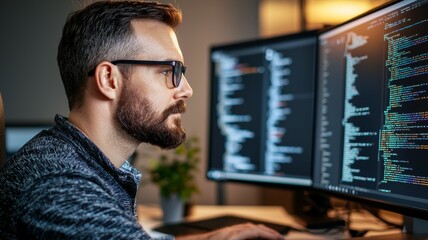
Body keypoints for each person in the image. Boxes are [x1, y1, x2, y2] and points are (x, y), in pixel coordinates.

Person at [0, 1, 284, 239]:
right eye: (168, 71)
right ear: (109, 79)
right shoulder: (60, 187)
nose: (186, 88)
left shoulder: (74, 161)